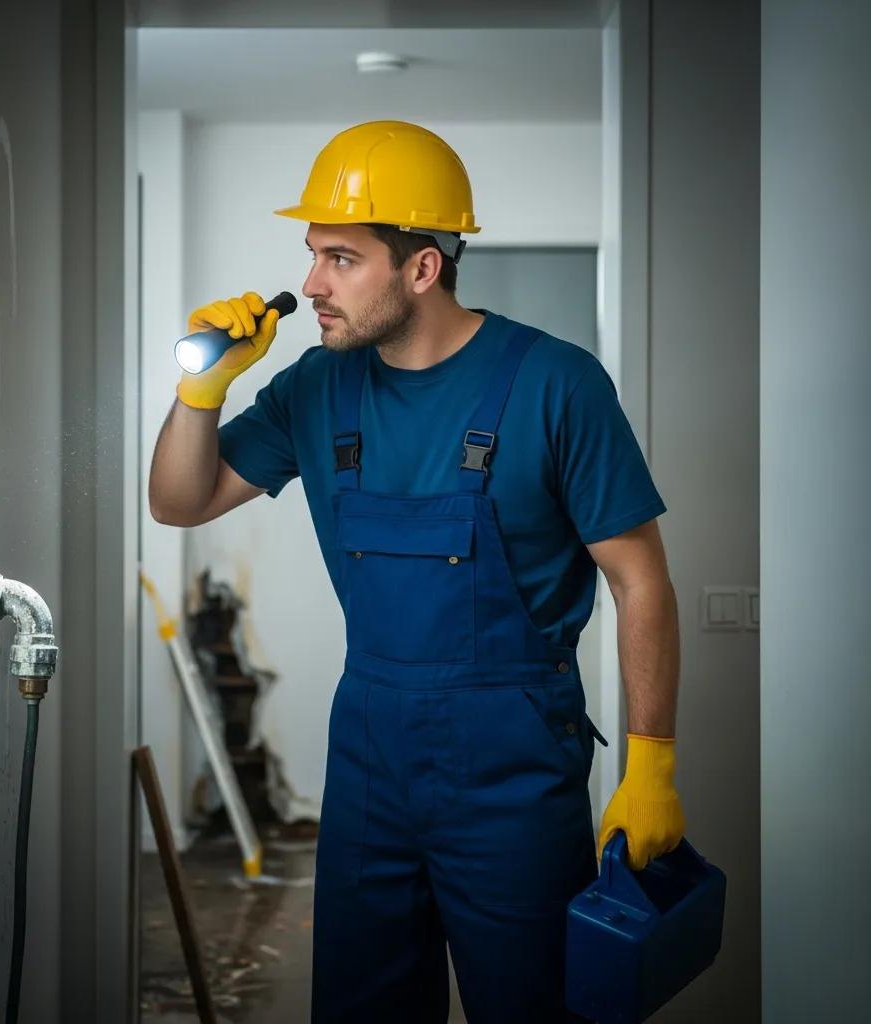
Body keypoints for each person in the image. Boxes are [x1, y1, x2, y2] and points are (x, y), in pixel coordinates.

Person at [149, 120, 685, 1024]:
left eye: (343, 259)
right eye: (313, 254)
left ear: (423, 267)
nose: (312, 283)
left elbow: (642, 580)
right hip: (368, 756)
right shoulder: (315, 387)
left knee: (531, 1004)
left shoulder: (558, 383)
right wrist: (203, 391)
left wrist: (653, 763)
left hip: (513, 764)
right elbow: (180, 500)